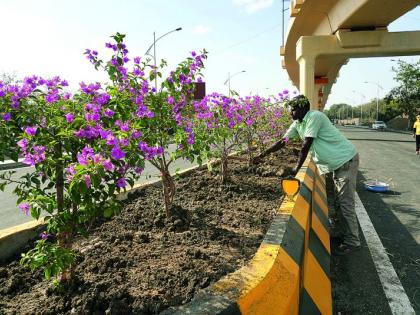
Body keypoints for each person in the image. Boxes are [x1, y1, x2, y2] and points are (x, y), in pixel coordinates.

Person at [253, 95, 360, 255]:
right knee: (338, 201)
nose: (290, 112)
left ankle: (352, 241)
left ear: (303, 108)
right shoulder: (298, 123)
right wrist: (262, 154)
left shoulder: (314, 117)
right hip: (336, 164)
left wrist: (294, 172)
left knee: (345, 203)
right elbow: (283, 141)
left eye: (293, 109)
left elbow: (306, 145)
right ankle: (342, 234)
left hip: (345, 161)